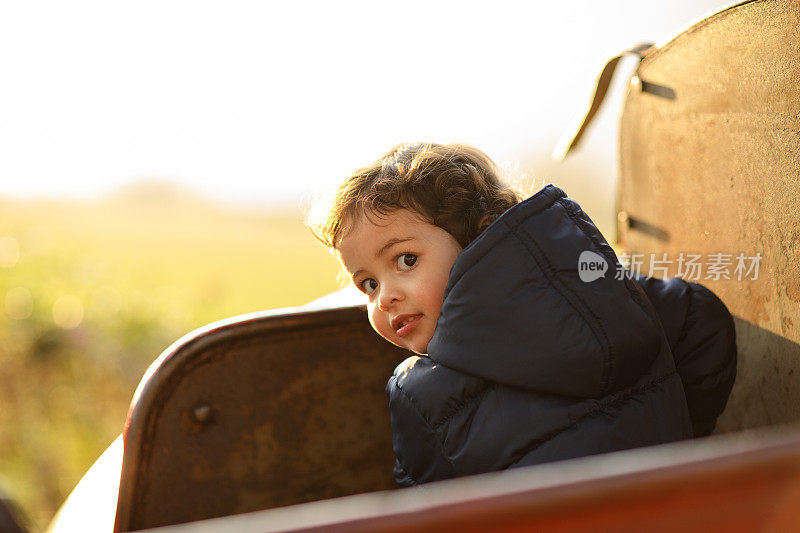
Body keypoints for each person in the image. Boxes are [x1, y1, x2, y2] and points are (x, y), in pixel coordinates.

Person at [309, 142, 737, 487]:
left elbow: (431, 516)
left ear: (480, 236)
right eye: (368, 284)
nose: (384, 298)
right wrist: (682, 452)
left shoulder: (420, 396)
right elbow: (704, 323)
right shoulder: (609, 297)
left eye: (405, 260)